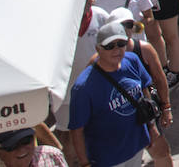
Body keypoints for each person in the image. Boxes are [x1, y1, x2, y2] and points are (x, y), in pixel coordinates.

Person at [67, 21, 157, 167]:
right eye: (109, 46)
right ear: (98, 49)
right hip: (106, 159)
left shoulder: (133, 61)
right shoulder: (83, 87)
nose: (117, 50)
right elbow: (76, 130)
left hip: (136, 147)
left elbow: (145, 90)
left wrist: (152, 126)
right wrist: (84, 163)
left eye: (121, 44)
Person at [0, 126, 69, 167]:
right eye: (13, 145)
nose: (22, 149)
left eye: (26, 141)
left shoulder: (52, 155)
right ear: (0, 153)